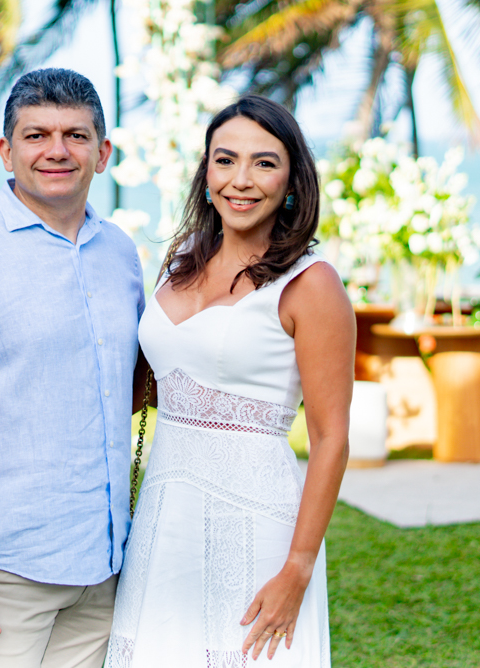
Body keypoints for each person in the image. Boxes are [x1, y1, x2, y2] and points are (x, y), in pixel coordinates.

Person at [0, 68, 146, 668]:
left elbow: (133, 387)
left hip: (109, 561)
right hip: (8, 572)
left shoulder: (120, 253)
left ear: (103, 152)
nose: (58, 151)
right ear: (7, 152)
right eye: (37, 135)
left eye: (76, 135)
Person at [106, 95, 354, 667]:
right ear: (206, 172)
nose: (241, 180)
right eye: (226, 160)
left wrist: (297, 567)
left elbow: (332, 439)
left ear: (292, 182)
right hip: (165, 521)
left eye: (264, 164)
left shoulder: (311, 286)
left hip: (257, 526)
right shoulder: (180, 264)